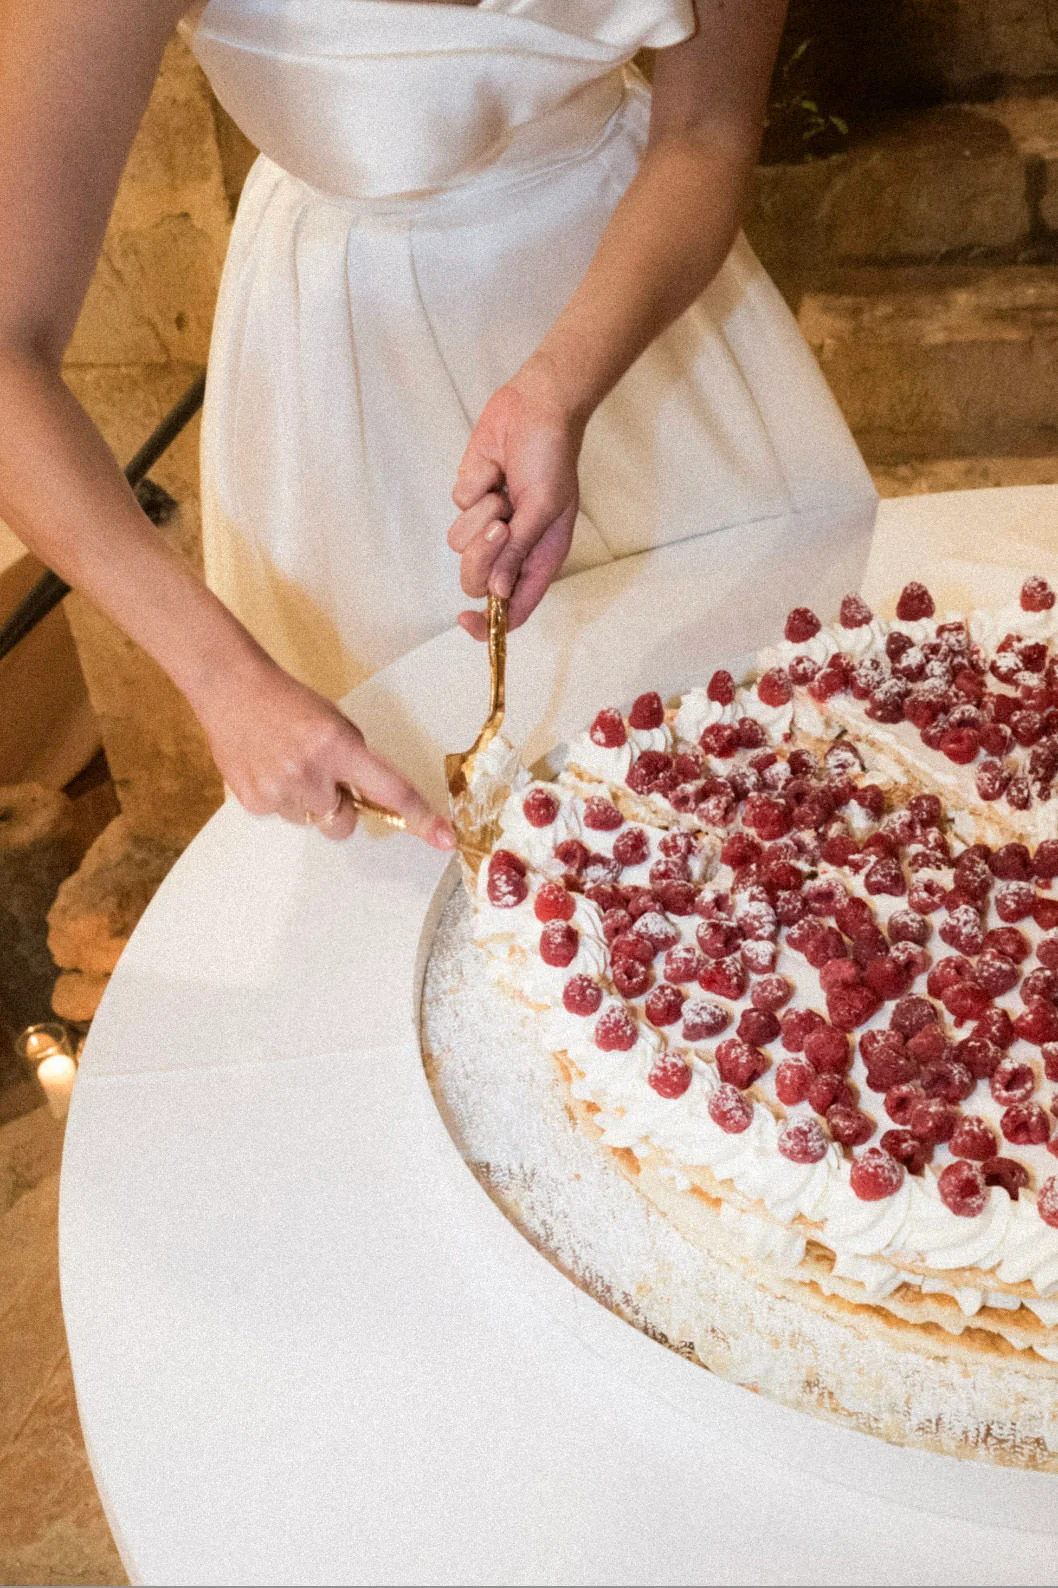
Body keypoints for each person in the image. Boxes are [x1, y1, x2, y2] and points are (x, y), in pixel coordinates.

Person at [0, 0, 877, 849]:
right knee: (431, 854)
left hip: (644, 299)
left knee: (794, 774)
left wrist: (560, 386)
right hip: (356, 378)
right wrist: (223, 678)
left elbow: (706, 134)